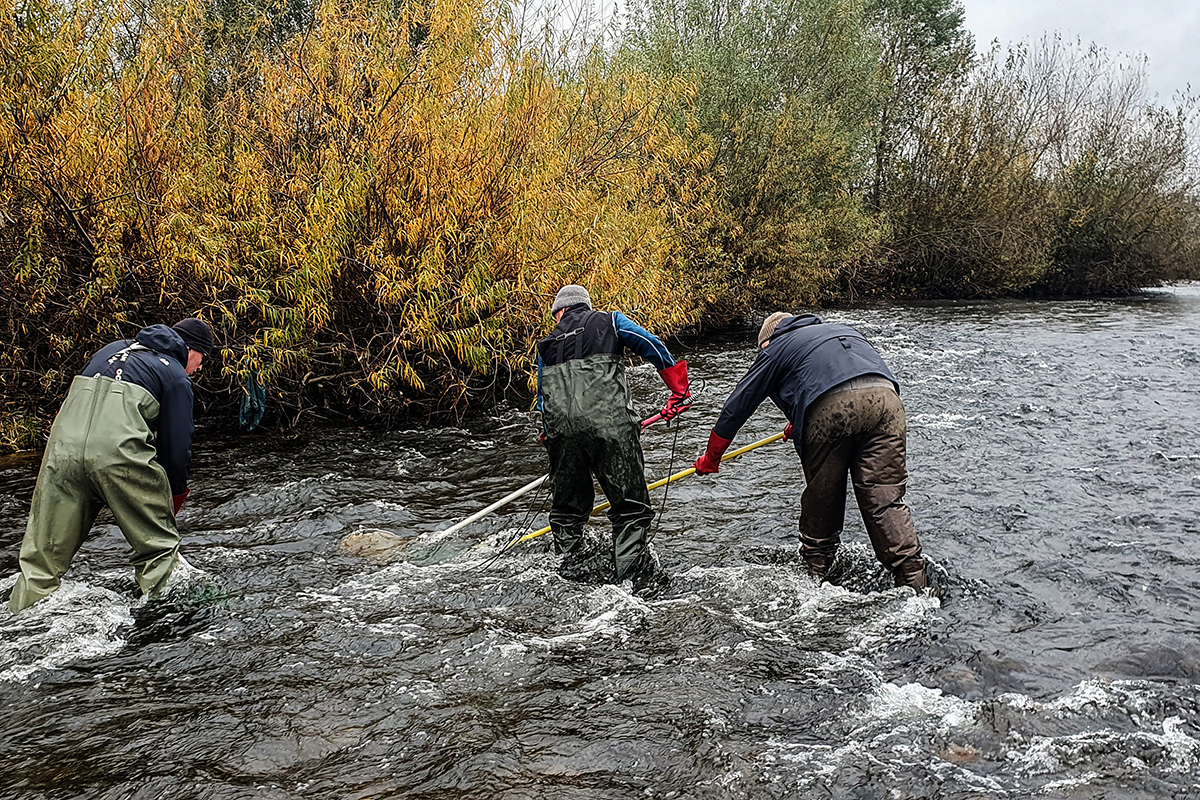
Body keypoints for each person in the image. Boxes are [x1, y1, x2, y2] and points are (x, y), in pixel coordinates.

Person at [692, 312, 928, 591]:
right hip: (888, 402)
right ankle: (914, 581)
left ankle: (815, 577)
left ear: (768, 340)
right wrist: (801, 418)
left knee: (823, 494)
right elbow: (834, 375)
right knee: (884, 497)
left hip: (830, 409)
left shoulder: (776, 347)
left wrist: (712, 457)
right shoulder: (840, 331)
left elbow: (737, 406)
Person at [7, 318, 214, 613]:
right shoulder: (175, 378)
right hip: (119, 459)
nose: (200, 367)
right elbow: (176, 447)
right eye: (203, 359)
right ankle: (164, 626)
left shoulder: (109, 351)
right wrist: (174, 495)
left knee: (41, 558)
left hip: (62, 452)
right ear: (190, 350)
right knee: (157, 550)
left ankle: (21, 618)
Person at [536, 285, 690, 594]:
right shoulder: (610, 320)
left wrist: (549, 433)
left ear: (561, 311)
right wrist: (679, 390)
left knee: (567, 512)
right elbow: (651, 345)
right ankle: (632, 586)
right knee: (630, 507)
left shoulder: (547, 344)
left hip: (561, 436)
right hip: (612, 430)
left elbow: (542, 397)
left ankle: (570, 580)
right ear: (585, 305)